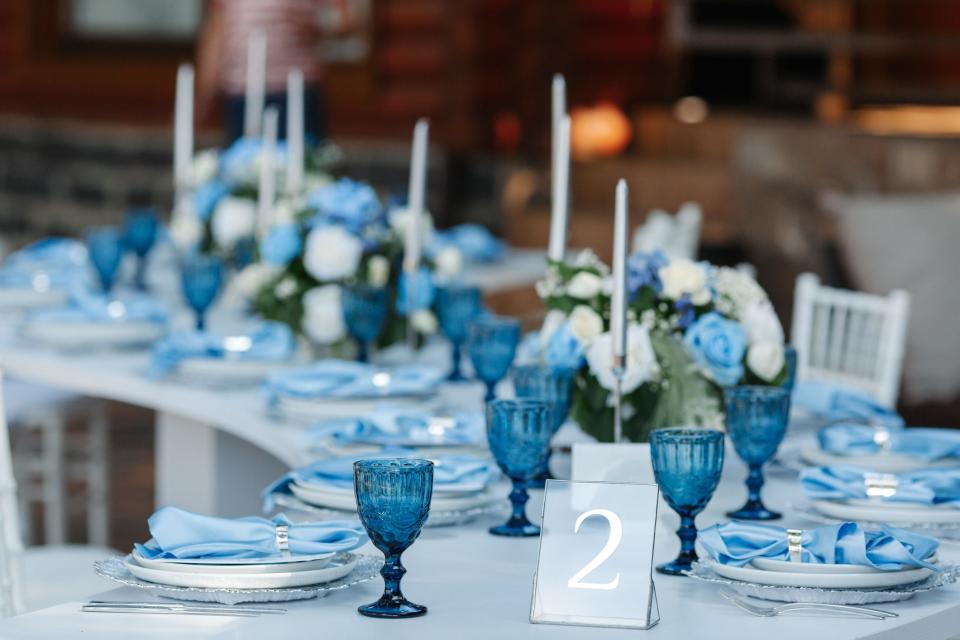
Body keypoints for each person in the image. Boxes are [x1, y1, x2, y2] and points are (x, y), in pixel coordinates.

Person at [195, 0, 352, 144]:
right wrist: (204, 95)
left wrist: (315, 24)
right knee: (243, 164)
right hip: (242, 90)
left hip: (296, 90)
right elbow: (216, 31)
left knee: (302, 164)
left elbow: (345, 21)